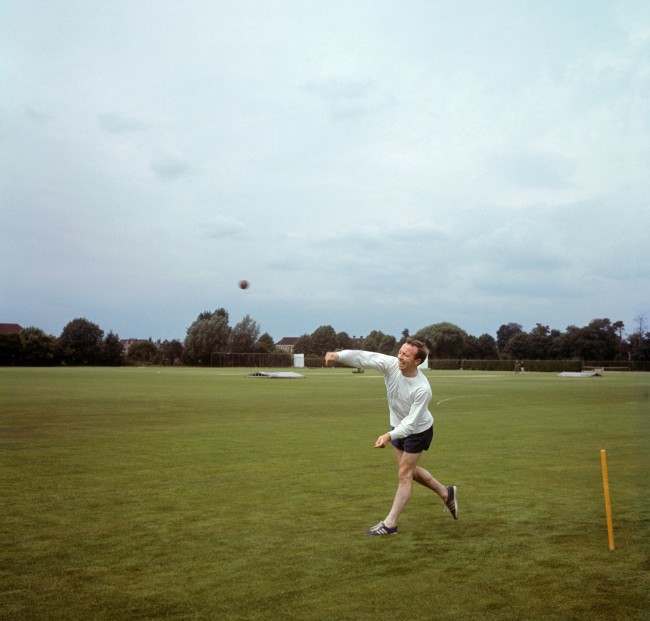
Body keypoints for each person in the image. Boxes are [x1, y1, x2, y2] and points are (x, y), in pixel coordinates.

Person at [324, 338, 458, 536]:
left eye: (406, 354)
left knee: (404, 474)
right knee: (408, 471)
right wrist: (338, 356)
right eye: (401, 352)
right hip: (396, 426)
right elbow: (365, 357)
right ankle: (446, 493)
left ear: (417, 361)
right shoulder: (391, 365)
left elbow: (411, 423)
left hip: (418, 430)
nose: (400, 356)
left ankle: (390, 523)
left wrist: (388, 435)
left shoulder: (422, 389)